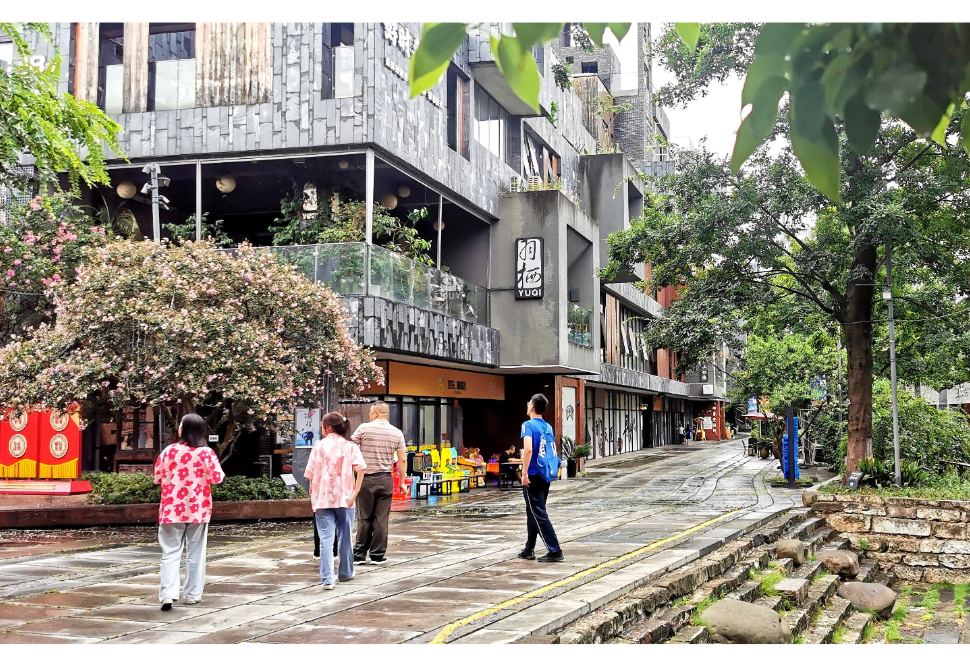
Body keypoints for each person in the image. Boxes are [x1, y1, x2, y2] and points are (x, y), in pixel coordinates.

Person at [153, 413, 225, 612]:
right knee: (196, 553)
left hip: (170, 510)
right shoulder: (206, 453)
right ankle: (192, 594)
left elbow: (157, 477)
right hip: (198, 510)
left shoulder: (168, 452)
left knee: (169, 552)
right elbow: (218, 478)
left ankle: (167, 594)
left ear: (182, 430)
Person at [304, 412, 366, 589]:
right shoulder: (350, 446)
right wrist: (355, 492)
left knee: (325, 540)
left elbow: (310, 473)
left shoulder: (318, 446)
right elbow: (361, 469)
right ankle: (345, 572)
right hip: (345, 498)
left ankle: (327, 579)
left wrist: (313, 492)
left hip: (322, 499)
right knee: (345, 537)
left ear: (327, 427)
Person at [351, 402, 408, 564]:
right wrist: (402, 482)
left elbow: (351, 451)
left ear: (375, 413)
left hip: (365, 479)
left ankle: (359, 555)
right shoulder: (397, 433)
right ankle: (377, 555)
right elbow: (402, 459)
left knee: (364, 517)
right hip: (386, 479)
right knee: (381, 519)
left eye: (370, 412)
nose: (369, 415)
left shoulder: (363, 429)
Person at [518, 393, 564, 563]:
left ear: (531, 407)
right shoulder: (547, 427)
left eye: (529, 402)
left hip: (533, 475)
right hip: (545, 474)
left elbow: (528, 449)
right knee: (534, 512)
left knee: (538, 513)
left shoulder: (527, 425)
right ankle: (529, 548)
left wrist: (524, 474)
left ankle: (555, 550)